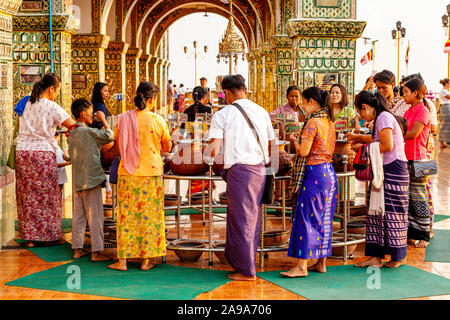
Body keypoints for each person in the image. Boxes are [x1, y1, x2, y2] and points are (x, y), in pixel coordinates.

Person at [207, 74, 275, 281]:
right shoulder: (262, 111)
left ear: (226, 93)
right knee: (251, 219)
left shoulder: (223, 115)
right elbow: (272, 145)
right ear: (245, 89)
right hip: (260, 170)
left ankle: (246, 270)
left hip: (240, 171)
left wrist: (205, 149)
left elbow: (212, 151)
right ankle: (246, 263)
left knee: (241, 220)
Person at [108, 82, 172, 271]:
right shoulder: (157, 120)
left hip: (127, 173)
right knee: (149, 217)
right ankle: (146, 261)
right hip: (150, 173)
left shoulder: (123, 119)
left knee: (126, 216)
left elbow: (118, 145)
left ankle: (123, 261)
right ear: (152, 99)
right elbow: (167, 148)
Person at [347, 92, 409, 268]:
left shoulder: (383, 117)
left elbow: (387, 145)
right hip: (386, 169)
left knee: (392, 214)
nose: (362, 116)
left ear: (365, 108)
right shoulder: (381, 118)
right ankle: (375, 256)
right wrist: (357, 137)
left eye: (361, 112)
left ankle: (398, 257)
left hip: (393, 169)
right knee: (376, 213)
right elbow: (377, 139)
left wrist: (366, 150)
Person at [281, 87, 337, 278]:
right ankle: (321, 263)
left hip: (314, 173)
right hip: (329, 173)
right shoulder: (329, 121)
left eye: (304, 101)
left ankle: (301, 266)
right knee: (325, 218)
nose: (302, 105)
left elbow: (304, 152)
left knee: (306, 217)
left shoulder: (312, 122)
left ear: (312, 101)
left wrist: (295, 142)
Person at [15, 73, 76, 248]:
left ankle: (30, 237)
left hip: (23, 153)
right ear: (51, 89)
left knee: (27, 195)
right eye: (57, 90)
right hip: (42, 154)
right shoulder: (52, 106)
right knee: (48, 195)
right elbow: (72, 125)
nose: (56, 94)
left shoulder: (25, 103)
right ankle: (49, 235)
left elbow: (19, 127)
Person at [67, 98, 114, 261]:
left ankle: (77, 250)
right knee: (95, 216)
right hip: (92, 178)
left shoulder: (71, 133)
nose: (92, 114)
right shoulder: (87, 131)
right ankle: (96, 252)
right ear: (82, 114)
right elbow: (110, 136)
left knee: (79, 216)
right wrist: (103, 119)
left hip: (79, 179)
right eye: (90, 112)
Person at [403, 79, 432, 248]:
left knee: (420, 199)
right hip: (407, 158)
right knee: (408, 199)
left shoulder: (424, 111)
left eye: (406, 92)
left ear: (416, 93)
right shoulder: (408, 111)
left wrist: (393, 132)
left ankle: (424, 235)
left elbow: (413, 133)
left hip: (422, 159)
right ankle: (411, 233)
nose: (404, 95)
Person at [183, 86, 213, 195]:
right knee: (205, 171)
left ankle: (194, 194)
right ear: (204, 97)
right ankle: (205, 195)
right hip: (206, 147)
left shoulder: (187, 110)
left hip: (191, 148)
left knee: (194, 171)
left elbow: (182, 131)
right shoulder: (209, 110)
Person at [90, 82, 113, 198]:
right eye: (105, 91)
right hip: (99, 138)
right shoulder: (99, 106)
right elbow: (100, 122)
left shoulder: (94, 104)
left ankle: (107, 188)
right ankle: (108, 189)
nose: (107, 94)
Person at [55, 130, 71, 195]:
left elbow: (65, 157)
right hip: (55, 177)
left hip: (61, 176)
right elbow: (54, 164)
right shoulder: (50, 148)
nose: (57, 139)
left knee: (60, 194)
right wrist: (68, 163)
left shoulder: (58, 147)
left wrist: (71, 158)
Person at [439, 78, 450, 148]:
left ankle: (443, 142)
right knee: (444, 125)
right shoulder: (443, 91)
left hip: (445, 108)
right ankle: (442, 142)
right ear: (446, 84)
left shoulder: (444, 91)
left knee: (445, 125)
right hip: (446, 108)